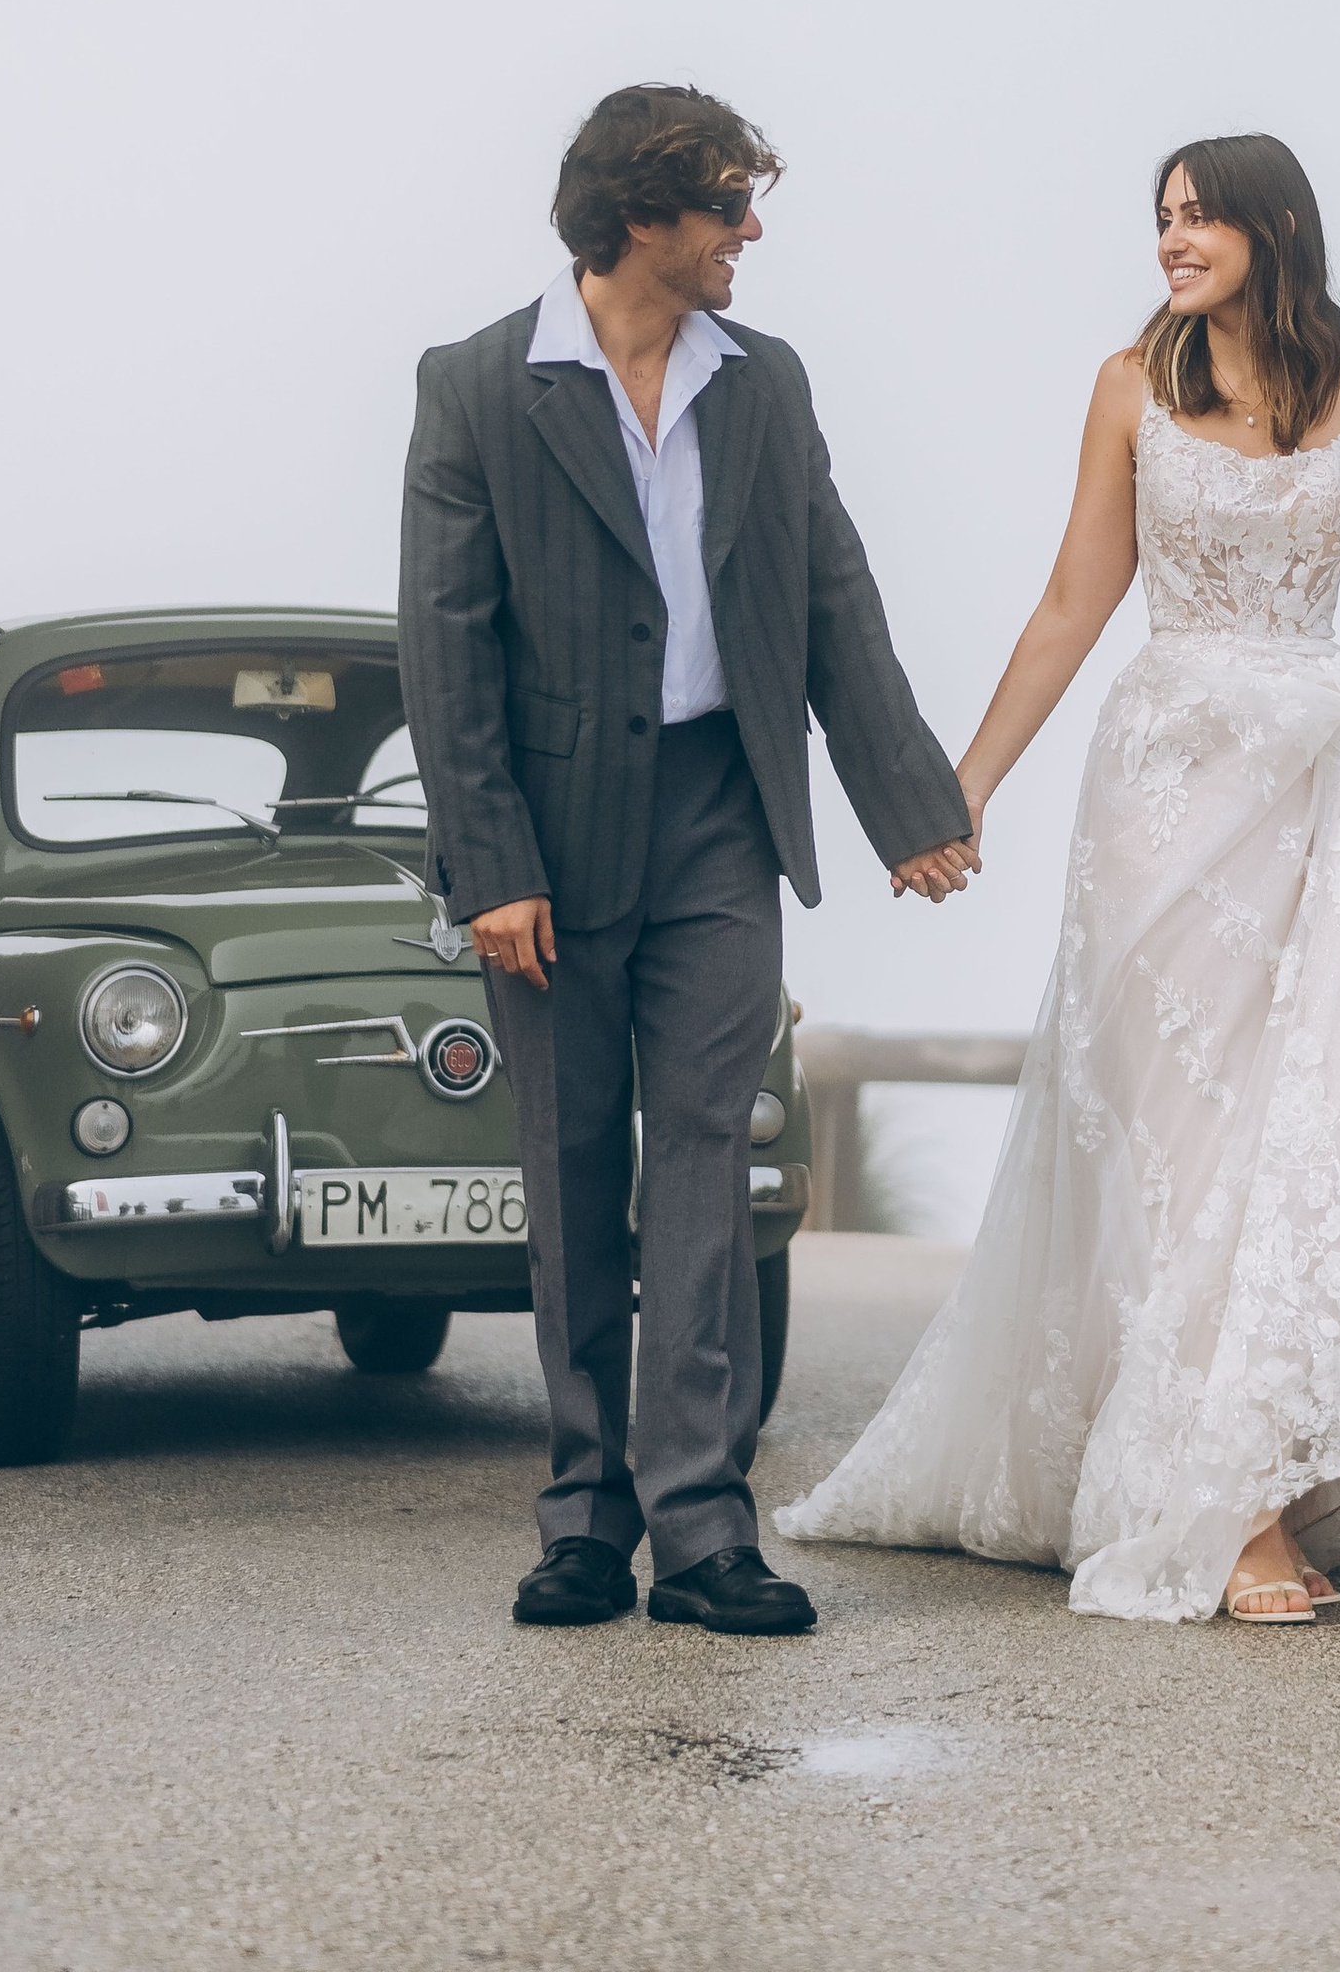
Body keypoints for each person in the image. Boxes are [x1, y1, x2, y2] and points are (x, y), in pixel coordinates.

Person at [776, 133, 1340, 1624]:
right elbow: (1077, 598)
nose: (1175, 241)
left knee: (1293, 1134)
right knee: (1180, 1146)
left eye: (1200, 217)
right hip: (1166, 790)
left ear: (1274, 226)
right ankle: (1219, 1506)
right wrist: (963, 783)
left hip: (1315, 788)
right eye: (1163, 219)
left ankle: (1247, 1488)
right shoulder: (1132, 385)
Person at [399, 84, 977, 1639]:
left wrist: (909, 799)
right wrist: (490, 864)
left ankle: (705, 1526)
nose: (751, 232)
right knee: (577, 1165)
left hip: (722, 812)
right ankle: (584, 1519)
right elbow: (444, 653)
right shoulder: (475, 387)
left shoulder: (766, 385)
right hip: (553, 839)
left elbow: (832, 596)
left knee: (707, 1155)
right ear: (641, 218)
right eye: (728, 204)